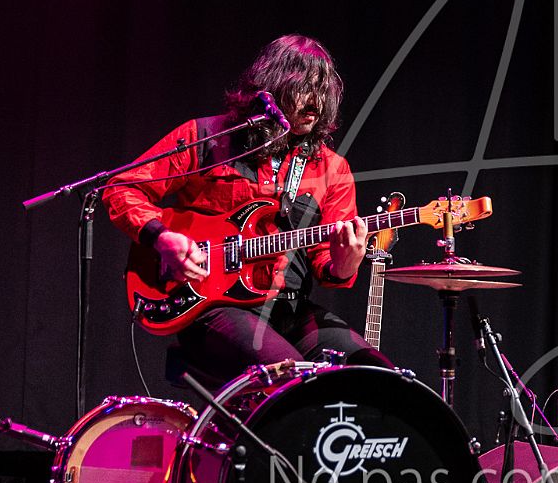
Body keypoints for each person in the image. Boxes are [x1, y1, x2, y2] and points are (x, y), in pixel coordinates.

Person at [105, 34, 393, 377]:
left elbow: (328, 268)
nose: (315, 100)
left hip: (290, 309)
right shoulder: (207, 138)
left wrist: (345, 265)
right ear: (272, 85)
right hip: (211, 306)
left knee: (375, 375)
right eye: (304, 87)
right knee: (293, 377)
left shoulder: (332, 169)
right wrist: (162, 238)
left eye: (323, 90)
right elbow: (122, 188)